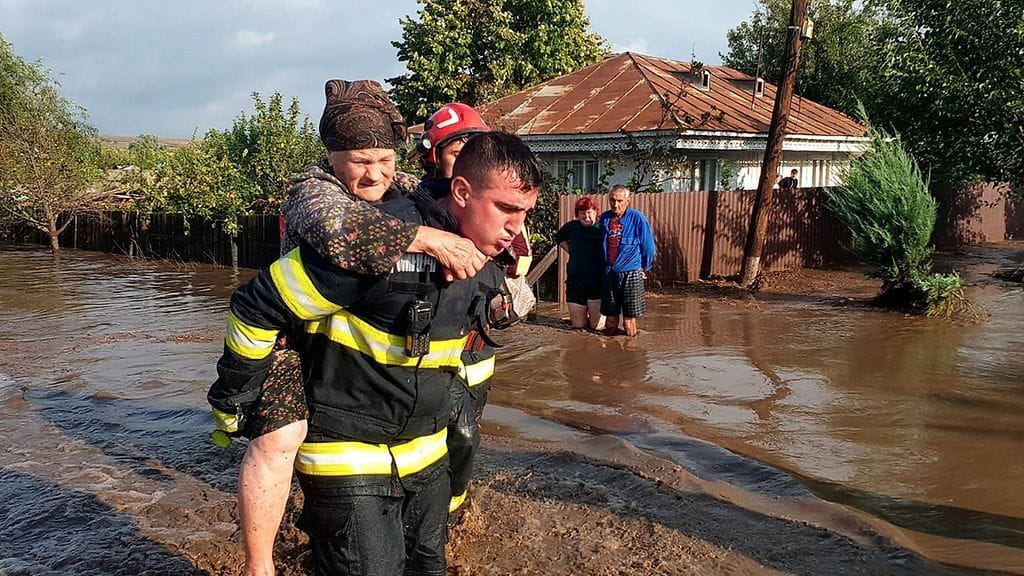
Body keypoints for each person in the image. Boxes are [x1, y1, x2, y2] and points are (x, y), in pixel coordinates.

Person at [209, 131, 542, 576]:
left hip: (426, 454)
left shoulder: (489, 251)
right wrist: (235, 398)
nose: (516, 228)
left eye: (525, 213)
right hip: (347, 454)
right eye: (506, 209)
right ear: (462, 191)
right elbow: (256, 306)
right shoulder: (375, 243)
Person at [599, 185, 656, 338]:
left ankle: (631, 349)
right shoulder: (604, 218)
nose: (615, 204)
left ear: (627, 201)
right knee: (610, 318)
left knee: (629, 320)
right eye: (612, 200)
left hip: (631, 273)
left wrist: (644, 268)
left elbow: (649, 247)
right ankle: (609, 348)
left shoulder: (638, 218)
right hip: (610, 273)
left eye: (619, 201)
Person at [555, 196, 605, 330]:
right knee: (578, 326)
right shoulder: (571, 227)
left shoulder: (603, 227)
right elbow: (559, 238)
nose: (586, 216)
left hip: (598, 282)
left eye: (589, 212)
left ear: (595, 212)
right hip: (575, 281)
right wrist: (572, 250)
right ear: (577, 214)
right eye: (582, 213)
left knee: (597, 327)